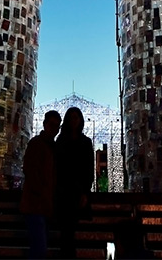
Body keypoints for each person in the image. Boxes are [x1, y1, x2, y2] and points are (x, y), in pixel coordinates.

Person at [54, 106, 94, 258]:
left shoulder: (86, 142)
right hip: (63, 191)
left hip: (77, 191)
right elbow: (57, 166)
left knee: (70, 229)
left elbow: (89, 168)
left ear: (80, 120)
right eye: (71, 117)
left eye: (76, 117)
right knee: (67, 229)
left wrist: (85, 192)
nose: (73, 121)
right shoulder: (61, 141)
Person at [21, 109, 61, 259]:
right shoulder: (37, 144)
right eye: (52, 125)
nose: (54, 129)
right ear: (45, 124)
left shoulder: (52, 147)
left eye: (57, 126)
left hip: (43, 205)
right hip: (36, 204)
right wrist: (42, 193)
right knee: (39, 249)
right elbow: (30, 171)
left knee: (39, 247)